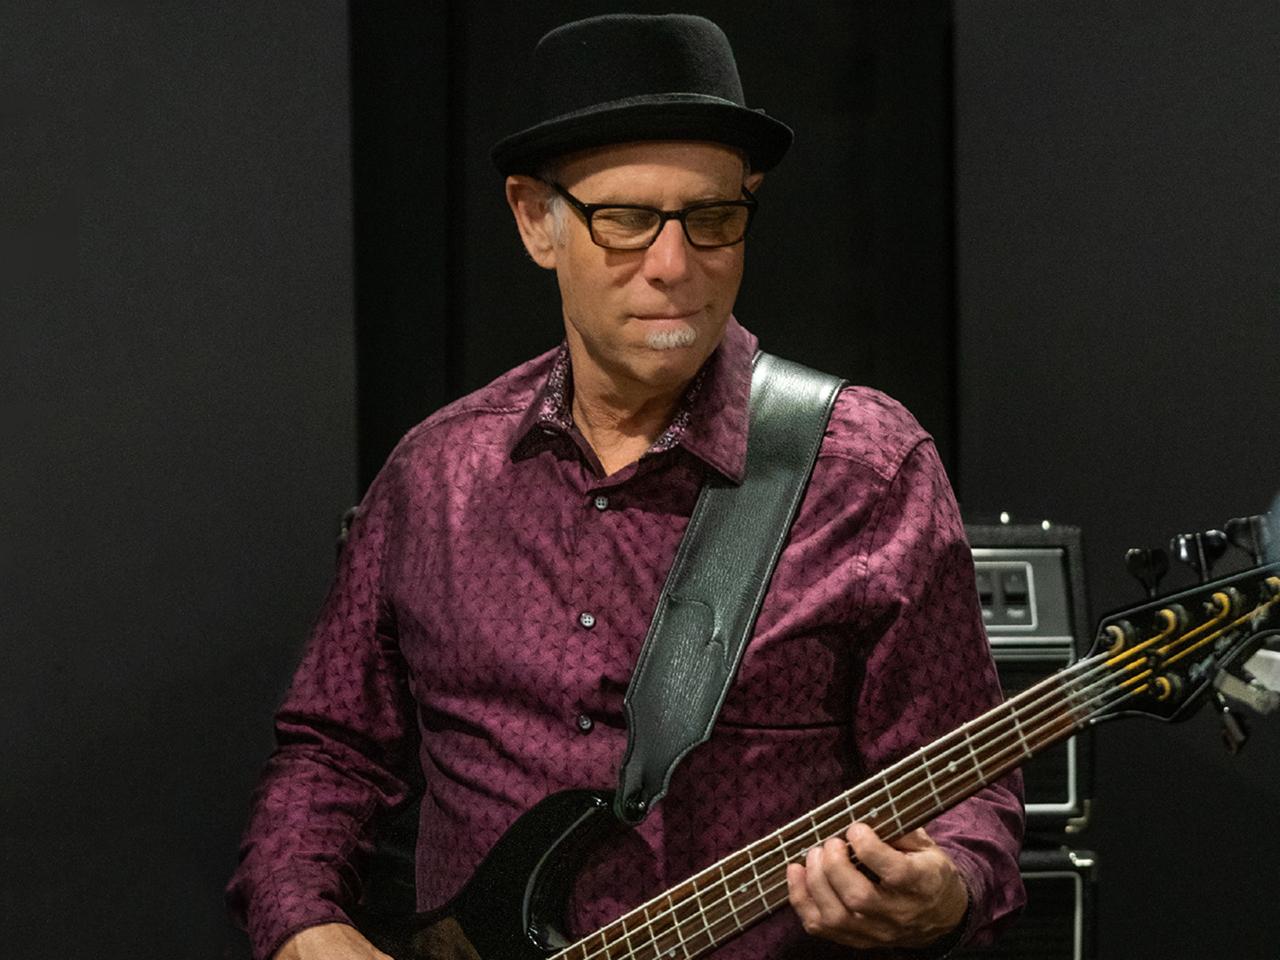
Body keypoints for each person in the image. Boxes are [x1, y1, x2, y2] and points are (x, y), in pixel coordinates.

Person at [228, 13, 1025, 960]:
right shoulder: (434, 476)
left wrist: (945, 889)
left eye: (712, 219)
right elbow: (332, 753)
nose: (674, 266)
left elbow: (970, 786)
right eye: (626, 220)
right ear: (537, 220)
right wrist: (305, 922)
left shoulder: (867, 473)